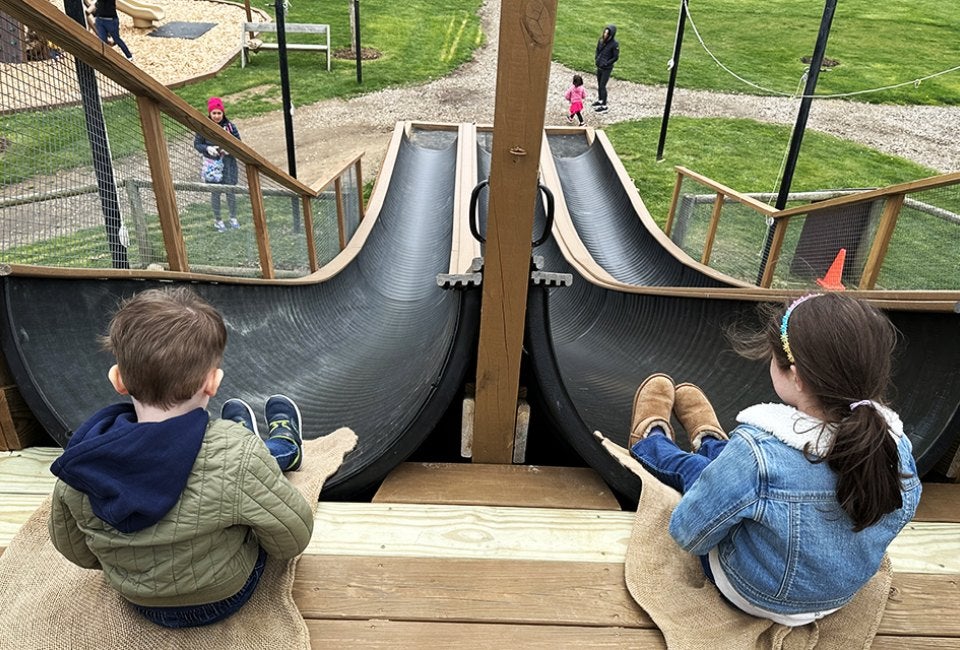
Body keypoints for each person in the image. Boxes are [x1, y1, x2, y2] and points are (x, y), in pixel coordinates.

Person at [628, 293, 921, 627]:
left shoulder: (760, 451)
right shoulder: (896, 448)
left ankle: (651, 446)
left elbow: (689, 533)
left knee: (697, 472)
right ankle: (710, 441)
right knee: (739, 474)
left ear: (794, 376)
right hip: (835, 598)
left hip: (753, 592)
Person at [48, 287, 313, 628]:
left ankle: (255, 443)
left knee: (238, 464)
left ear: (118, 380)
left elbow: (74, 549)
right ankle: (284, 446)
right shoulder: (235, 452)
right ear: (213, 383)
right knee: (244, 464)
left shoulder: (81, 461)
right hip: (222, 595)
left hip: (138, 600)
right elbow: (292, 538)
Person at [194, 97, 242, 232]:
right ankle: (218, 220)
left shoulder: (230, 127)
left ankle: (233, 217)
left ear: (223, 113)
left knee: (230, 192)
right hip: (212, 167)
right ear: (210, 113)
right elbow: (197, 144)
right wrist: (207, 149)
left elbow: (239, 143)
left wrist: (230, 150)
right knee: (215, 194)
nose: (216, 116)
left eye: (219, 113)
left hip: (228, 165)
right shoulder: (203, 127)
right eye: (214, 113)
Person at [593, 24, 619, 113]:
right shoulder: (601, 41)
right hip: (599, 66)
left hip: (606, 68)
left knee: (602, 85)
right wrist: (597, 58)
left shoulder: (614, 44)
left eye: (607, 33)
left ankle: (604, 105)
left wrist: (606, 63)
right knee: (599, 84)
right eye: (605, 32)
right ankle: (600, 100)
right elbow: (597, 50)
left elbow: (615, 57)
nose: (605, 34)